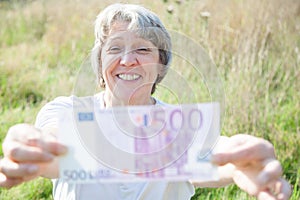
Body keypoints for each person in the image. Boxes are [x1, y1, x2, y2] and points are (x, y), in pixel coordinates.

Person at [0, 3, 291, 200]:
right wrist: (35, 147)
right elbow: (57, 143)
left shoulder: (177, 124)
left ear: (161, 66)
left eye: (142, 48)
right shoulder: (67, 110)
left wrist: (240, 161)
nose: (127, 60)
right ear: (100, 63)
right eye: (114, 49)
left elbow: (213, 155)